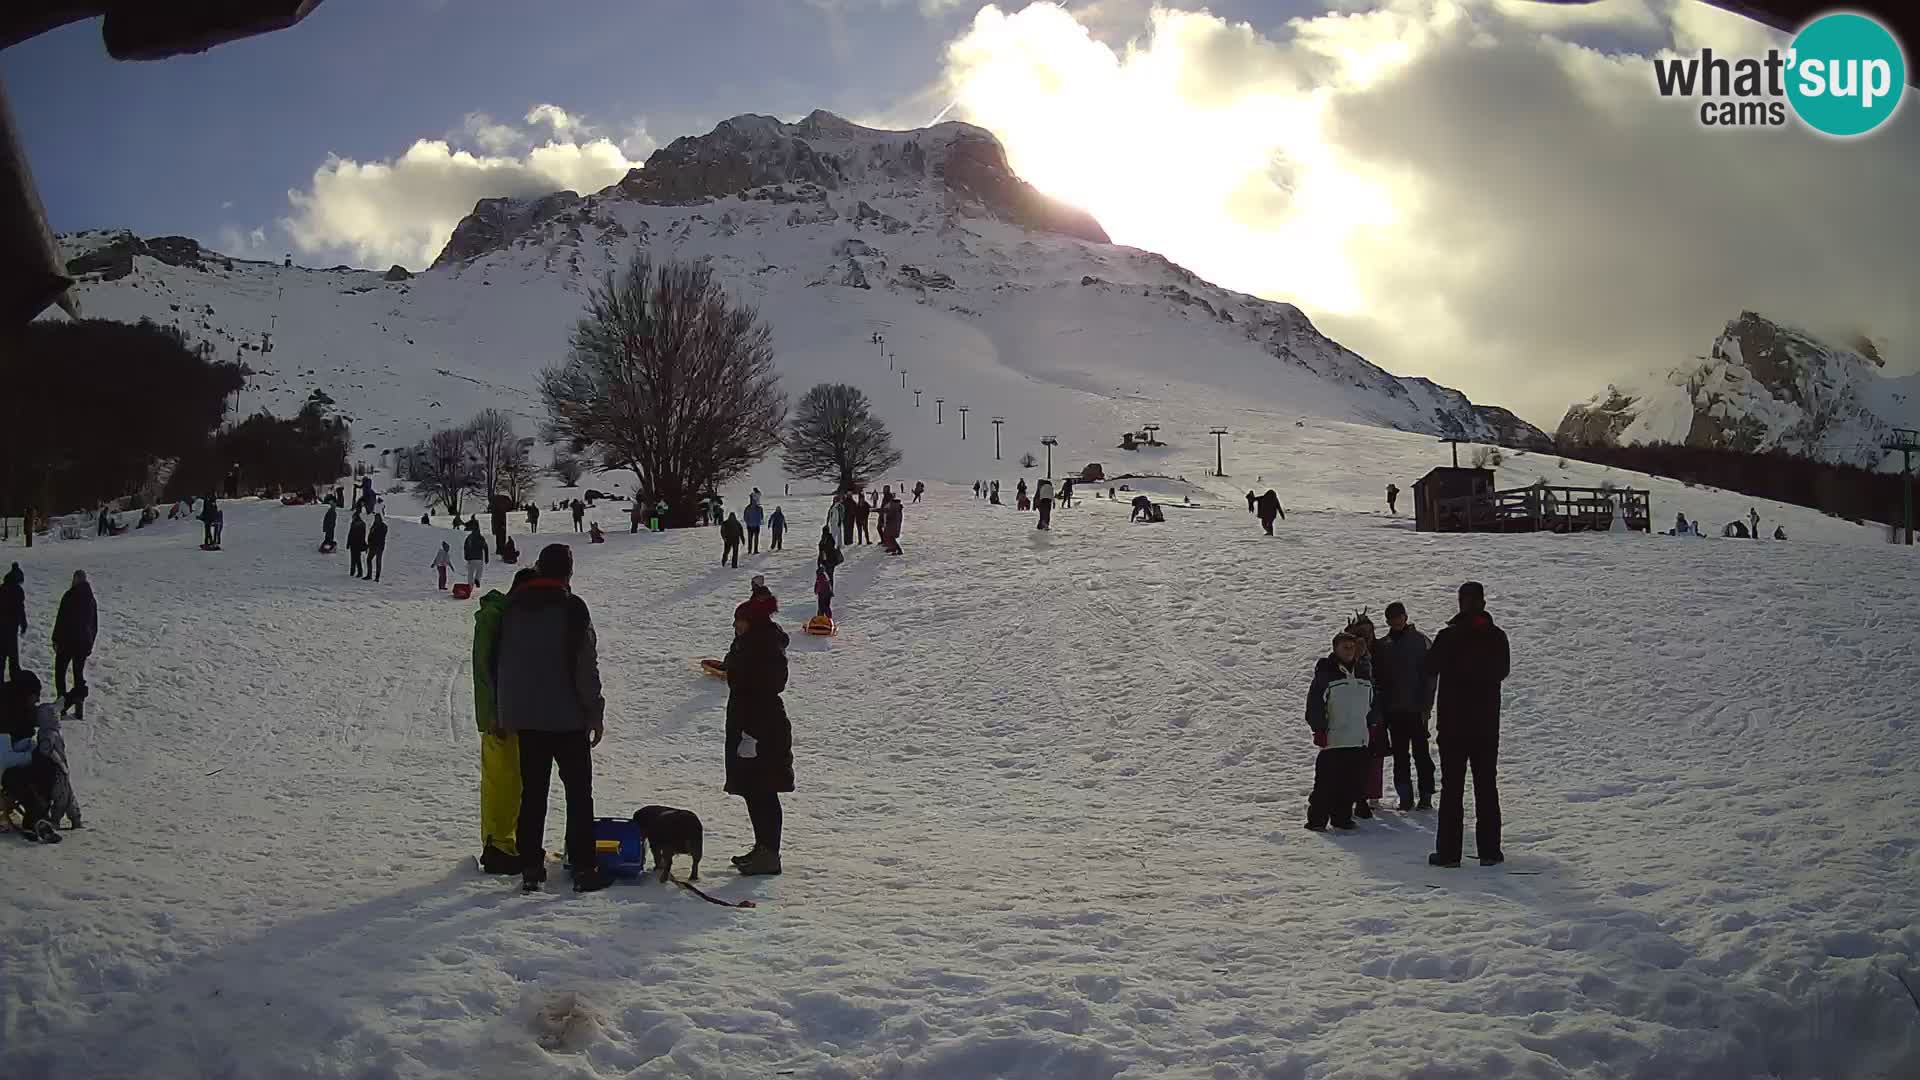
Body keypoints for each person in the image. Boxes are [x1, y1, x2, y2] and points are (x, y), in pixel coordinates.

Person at [489, 544, 609, 892]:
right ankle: (585, 868)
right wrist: (595, 712)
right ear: (568, 572)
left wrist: (505, 714)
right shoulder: (573, 608)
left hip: (528, 719)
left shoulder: (514, 608)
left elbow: (503, 665)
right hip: (569, 719)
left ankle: (530, 866)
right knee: (578, 794)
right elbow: (585, 667)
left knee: (533, 793)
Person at [1425, 581, 1511, 868]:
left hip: (1452, 724)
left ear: (1461, 603)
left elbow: (1428, 667)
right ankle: (1490, 851)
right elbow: (1502, 671)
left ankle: (1449, 854)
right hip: (1486, 724)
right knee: (1486, 785)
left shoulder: (1448, 636)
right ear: (1484, 603)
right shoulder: (1497, 636)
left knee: (1453, 789)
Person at [724, 589, 792, 876]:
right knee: (755, 791)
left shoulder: (762, 649)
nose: (735, 626)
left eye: (740, 621)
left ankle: (769, 852)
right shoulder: (749, 645)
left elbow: (763, 691)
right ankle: (762, 847)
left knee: (763, 790)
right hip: (750, 726)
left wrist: (751, 735)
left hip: (762, 730)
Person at [472, 568, 534, 874]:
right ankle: (498, 847)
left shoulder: (501, 617)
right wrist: (496, 715)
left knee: (511, 782)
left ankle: (506, 843)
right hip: (499, 719)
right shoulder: (496, 620)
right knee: (502, 785)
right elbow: (485, 672)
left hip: (504, 715)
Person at [1304, 631, 1380, 831]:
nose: (1349, 651)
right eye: (1345, 647)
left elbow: (1373, 703)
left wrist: (1372, 725)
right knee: (1326, 784)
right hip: (1334, 739)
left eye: (1352, 647)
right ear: (1335, 648)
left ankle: (1342, 818)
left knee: (1351, 782)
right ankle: (1317, 821)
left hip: (1358, 739)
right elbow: (1314, 705)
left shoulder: (1364, 673)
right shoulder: (1326, 674)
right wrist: (1319, 729)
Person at [1375, 602, 1437, 811]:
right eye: (1392, 618)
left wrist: (1426, 707)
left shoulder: (1421, 642)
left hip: (1416, 710)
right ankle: (1405, 797)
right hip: (1394, 711)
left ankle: (1426, 795)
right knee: (1400, 756)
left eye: (1398, 617)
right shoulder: (1383, 645)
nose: (1396, 621)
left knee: (1422, 754)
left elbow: (1430, 677)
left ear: (1405, 617)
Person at [2, 672, 72, 842]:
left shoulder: (20, 714)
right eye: (35, 695)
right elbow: (4, 759)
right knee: (23, 779)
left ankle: (39, 818)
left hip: (19, 765)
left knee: (48, 767)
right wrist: (31, 756)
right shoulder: (3, 719)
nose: (37, 700)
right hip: (6, 771)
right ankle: (38, 820)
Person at [1346, 613, 1386, 819]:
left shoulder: (1381, 650)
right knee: (1355, 756)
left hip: (1376, 712)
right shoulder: (1345, 658)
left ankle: (1372, 796)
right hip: (1355, 714)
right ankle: (1356, 795)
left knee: (1374, 754)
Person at [52, 570, 96, 720]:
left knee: (60, 673)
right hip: (83, 644)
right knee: (78, 673)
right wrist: (90, 643)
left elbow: (61, 619)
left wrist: (55, 639)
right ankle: (78, 705)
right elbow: (94, 624)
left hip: (66, 642)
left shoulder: (69, 596)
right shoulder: (91, 599)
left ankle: (61, 705)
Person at [1, 563, 25, 679]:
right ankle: (15, 682)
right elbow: (20, 609)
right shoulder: (18, 591)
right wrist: (23, 623)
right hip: (11, 629)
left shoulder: (2, 588)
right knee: (13, 659)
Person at [464, 518, 490, 587]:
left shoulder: (469, 537)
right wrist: (486, 558)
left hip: (471, 558)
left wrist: (466, 556)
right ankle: (477, 579)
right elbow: (485, 547)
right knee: (479, 570)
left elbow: (466, 547)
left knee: (470, 573)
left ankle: (470, 585)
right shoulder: (481, 538)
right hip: (479, 558)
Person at [366, 513, 388, 582]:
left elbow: (380, 536)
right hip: (373, 546)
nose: (376, 520)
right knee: (369, 559)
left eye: (377, 518)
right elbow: (370, 535)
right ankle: (369, 575)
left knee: (378, 562)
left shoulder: (383, 526)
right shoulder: (374, 526)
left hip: (379, 546)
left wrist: (374, 532)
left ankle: (377, 577)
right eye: (375, 518)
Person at [347, 510, 369, 578]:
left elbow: (353, 534)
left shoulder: (359, 524)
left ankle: (357, 572)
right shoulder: (359, 523)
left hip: (356, 543)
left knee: (356, 558)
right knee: (355, 558)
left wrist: (348, 543)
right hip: (355, 543)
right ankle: (354, 572)